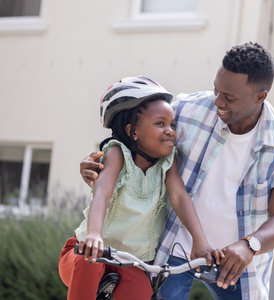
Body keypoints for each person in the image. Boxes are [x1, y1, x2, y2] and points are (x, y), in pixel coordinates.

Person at [80, 42, 274, 300]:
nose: (218, 101)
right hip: (176, 249)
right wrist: (97, 160)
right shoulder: (187, 109)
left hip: (238, 263)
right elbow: (136, 139)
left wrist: (250, 245)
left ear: (260, 96)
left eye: (229, 97)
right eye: (216, 90)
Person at [59, 76, 216, 300]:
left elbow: (180, 197)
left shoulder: (168, 162)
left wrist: (200, 242)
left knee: (142, 291)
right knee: (91, 261)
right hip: (85, 252)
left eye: (172, 124)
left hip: (130, 262)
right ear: (133, 131)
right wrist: (94, 234)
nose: (170, 131)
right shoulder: (116, 154)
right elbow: (102, 194)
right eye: (160, 124)